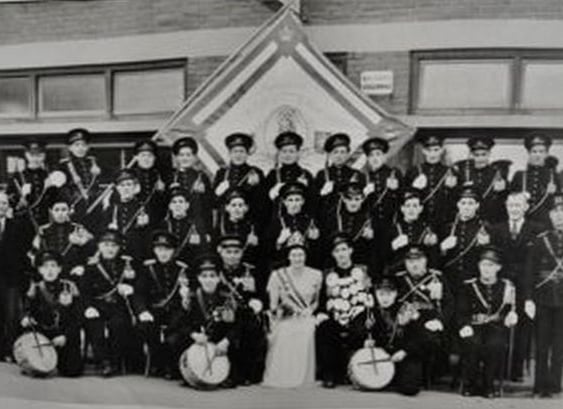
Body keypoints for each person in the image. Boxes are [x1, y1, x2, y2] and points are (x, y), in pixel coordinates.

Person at [490, 192, 544, 381]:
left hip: (527, 285)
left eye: (518, 205)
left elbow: (537, 260)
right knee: (500, 323)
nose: (514, 209)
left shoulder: (537, 229)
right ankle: (498, 368)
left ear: (526, 207)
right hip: (501, 284)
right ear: (506, 206)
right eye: (511, 205)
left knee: (523, 327)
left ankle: (516, 370)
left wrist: (530, 288)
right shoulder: (496, 229)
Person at [166, 254, 239, 388]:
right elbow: (180, 323)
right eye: (204, 276)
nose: (208, 280)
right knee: (174, 339)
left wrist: (226, 341)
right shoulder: (191, 297)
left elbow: (238, 325)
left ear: (219, 278)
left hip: (219, 340)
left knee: (238, 344)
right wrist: (194, 335)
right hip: (198, 339)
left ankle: (225, 374)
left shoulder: (228, 298)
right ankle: (186, 373)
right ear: (199, 278)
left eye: (212, 276)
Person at [457, 246, 517, 398]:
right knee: (473, 343)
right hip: (474, 326)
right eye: (483, 265)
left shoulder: (506, 287)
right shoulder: (469, 286)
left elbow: (509, 309)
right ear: (479, 266)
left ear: (498, 267)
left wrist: (511, 316)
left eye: (490, 265)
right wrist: (464, 325)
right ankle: (470, 384)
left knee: (494, 345)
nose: (486, 269)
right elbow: (461, 310)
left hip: (496, 327)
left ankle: (488, 385)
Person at [79, 229, 140, 377]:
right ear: (99, 246)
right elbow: (84, 291)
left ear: (119, 248)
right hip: (97, 305)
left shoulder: (126, 264)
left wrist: (130, 288)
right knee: (95, 325)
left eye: (114, 246)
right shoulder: (91, 266)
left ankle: (116, 361)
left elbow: (136, 285)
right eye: (106, 245)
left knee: (119, 324)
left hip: (118, 305)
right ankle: (103, 361)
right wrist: (88, 307)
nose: (110, 249)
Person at [350, 277, 424, 396]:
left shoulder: (407, 310)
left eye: (389, 294)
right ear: (375, 294)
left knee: (410, 388)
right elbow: (354, 330)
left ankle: (395, 379)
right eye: (381, 294)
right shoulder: (370, 312)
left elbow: (420, 336)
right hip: (380, 355)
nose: (384, 298)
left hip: (403, 354)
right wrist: (364, 341)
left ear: (395, 294)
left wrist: (405, 351)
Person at [316, 233, 372, 388]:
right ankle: (329, 374)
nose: (341, 254)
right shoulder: (327, 274)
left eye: (344, 249)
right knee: (325, 328)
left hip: (358, 314)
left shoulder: (363, 270)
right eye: (337, 251)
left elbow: (370, 294)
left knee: (361, 328)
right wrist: (321, 313)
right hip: (335, 315)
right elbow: (322, 299)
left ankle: (357, 372)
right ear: (333, 254)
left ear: (350, 251)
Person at [263, 243, 322, 388]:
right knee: (285, 331)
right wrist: (283, 313)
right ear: (289, 257)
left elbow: (317, 301)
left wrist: (310, 310)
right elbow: (273, 305)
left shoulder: (316, 275)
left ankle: (303, 375)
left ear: (305, 257)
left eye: (301, 255)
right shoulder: (278, 275)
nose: (297, 258)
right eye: (294, 255)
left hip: (307, 315)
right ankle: (286, 374)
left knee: (308, 329)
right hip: (287, 317)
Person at [135, 230, 190, 378]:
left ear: (174, 251)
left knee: (176, 330)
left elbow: (188, 296)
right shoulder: (148, 268)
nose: (163, 253)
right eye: (159, 249)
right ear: (154, 250)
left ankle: (171, 365)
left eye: (167, 249)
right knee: (146, 327)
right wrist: (142, 311)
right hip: (154, 310)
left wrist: (185, 294)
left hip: (175, 311)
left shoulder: (182, 269)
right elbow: (139, 293)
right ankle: (156, 362)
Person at [523, 193, 563, 397]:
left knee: (560, 345)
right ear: (549, 214)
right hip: (543, 298)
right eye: (555, 211)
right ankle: (540, 385)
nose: (560, 215)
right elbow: (530, 272)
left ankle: (555, 384)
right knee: (541, 344)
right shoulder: (541, 240)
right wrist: (529, 298)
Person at [395, 245, 454, 384]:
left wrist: (439, 321)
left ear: (426, 260)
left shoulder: (437, 278)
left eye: (418, 260)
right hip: (406, 325)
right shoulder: (399, 279)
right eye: (410, 261)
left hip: (429, 325)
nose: (414, 264)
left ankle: (425, 371)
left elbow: (449, 304)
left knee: (429, 339)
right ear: (405, 263)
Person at [20, 250, 83, 377]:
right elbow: (27, 310)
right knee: (40, 370)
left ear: (59, 269)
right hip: (44, 335)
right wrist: (26, 318)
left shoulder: (69, 287)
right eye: (45, 266)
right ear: (40, 270)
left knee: (72, 371)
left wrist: (65, 336)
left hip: (64, 334)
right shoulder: (36, 288)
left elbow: (78, 316)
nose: (49, 270)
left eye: (53, 266)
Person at [217, 235, 267, 385]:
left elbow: (261, 295)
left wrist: (257, 301)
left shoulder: (250, 271)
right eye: (228, 252)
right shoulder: (215, 271)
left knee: (251, 329)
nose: (232, 256)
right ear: (221, 252)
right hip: (223, 313)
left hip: (245, 315)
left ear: (241, 253)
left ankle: (246, 373)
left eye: (236, 252)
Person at [30, 193, 94, 278]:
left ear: (69, 211)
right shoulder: (43, 230)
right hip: (50, 273)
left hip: (73, 272)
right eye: (56, 210)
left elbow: (91, 252)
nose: (60, 213)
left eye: (64, 210)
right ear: (51, 211)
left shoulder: (78, 229)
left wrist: (81, 243)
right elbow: (34, 253)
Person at [440, 184, 491, 291]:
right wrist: (442, 248)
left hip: (473, 281)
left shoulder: (484, 228)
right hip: (449, 280)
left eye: (470, 203)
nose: (466, 207)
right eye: (463, 203)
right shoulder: (447, 227)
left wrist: (485, 246)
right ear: (458, 205)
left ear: (477, 205)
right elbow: (438, 258)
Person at [6, 138, 56, 239]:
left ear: (44, 156)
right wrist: (19, 199)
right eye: (32, 155)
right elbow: (8, 197)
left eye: (39, 155)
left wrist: (51, 187)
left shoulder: (48, 176)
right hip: (23, 222)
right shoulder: (18, 176)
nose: (36, 159)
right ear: (26, 155)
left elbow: (54, 200)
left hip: (44, 221)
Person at [322, 182, 376, 273]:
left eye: (357, 199)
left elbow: (374, 250)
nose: (353, 203)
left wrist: (371, 239)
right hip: (335, 264)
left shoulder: (369, 219)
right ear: (343, 199)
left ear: (363, 199)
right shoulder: (333, 216)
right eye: (349, 199)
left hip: (360, 263)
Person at [455, 135, 510, 224]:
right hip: (470, 220)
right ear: (471, 154)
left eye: (484, 154)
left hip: (492, 219)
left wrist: (502, 192)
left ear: (489, 154)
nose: (480, 158)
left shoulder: (497, 174)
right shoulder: (464, 173)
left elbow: (505, 199)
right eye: (477, 155)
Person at [265, 182, 320, 268]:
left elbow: (318, 254)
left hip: (307, 267)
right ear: (284, 202)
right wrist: (279, 242)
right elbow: (267, 253)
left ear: (303, 201)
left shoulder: (311, 222)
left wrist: (315, 241)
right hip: (283, 267)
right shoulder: (276, 223)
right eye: (290, 200)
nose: (294, 204)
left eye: (297, 200)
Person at [213, 133, 265, 225]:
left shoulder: (256, 172)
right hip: (225, 223)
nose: (238, 155)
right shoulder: (222, 173)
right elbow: (213, 203)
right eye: (235, 151)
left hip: (249, 222)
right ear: (229, 153)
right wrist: (217, 193)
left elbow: (263, 204)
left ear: (247, 154)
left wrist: (255, 187)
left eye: (241, 151)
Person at [405, 134, 458, 225]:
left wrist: (451, 189)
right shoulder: (414, 171)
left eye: (436, 150)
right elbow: (405, 196)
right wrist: (415, 188)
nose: (432, 154)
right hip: (420, 218)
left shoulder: (450, 172)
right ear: (423, 151)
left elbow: (458, 198)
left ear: (442, 150)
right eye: (429, 150)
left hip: (443, 219)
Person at [314, 133, 365, 225]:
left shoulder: (357, 175)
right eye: (335, 152)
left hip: (350, 222)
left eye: (342, 152)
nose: (339, 155)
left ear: (348, 154)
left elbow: (363, 203)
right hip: (326, 222)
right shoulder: (322, 175)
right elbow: (314, 203)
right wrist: (321, 193)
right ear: (330, 154)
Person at [0, 191, 28, 361]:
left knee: (11, 315)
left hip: (11, 277)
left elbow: (22, 252)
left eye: (4, 203)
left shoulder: (16, 226)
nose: (1, 206)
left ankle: (10, 350)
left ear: (8, 206)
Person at [57, 128, 103, 229]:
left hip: (95, 208)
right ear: (70, 148)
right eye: (77, 145)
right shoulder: (64, 166)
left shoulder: (93, 163)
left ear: (87, 147)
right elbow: (61, 190)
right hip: (75, 209)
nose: (80, 148)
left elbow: (98, 185)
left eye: (83, 145)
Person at [511, 134, 560, 228]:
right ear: (529, 153)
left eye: (541, 152)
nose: (538, 155)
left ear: (546, 154)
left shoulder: (554, 176)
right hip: (524, 223)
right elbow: (511, 201)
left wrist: (554, 193)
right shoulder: (519, 175)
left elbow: (558, 205)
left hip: (545, 223)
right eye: (534, 152)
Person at [101, 169, 151, 260]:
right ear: (117, 188)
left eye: (129, 184)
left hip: (137, 255)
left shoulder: (143, 208)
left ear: (135, 187)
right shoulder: (112, 209)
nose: (126, 188)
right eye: (122, 185)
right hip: (116, 257)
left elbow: (148, 237)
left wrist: (143, 227)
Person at [386, 188, 439, 272]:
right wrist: (393, 246)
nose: (411, 209)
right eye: (408, 206)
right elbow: (383, 258)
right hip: (398, 273)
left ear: (421, 209)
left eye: (415, 206)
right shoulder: (392, 229)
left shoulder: (427, 230)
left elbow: (434, 260)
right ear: (402, 208)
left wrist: (432, 247)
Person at [264, 131, 315, 214]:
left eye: (291, 151)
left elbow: (313, 204)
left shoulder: (305, 175)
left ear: (298, 153)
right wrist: (270, 195)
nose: (287, 155)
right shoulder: (272, 175)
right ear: (279, 153)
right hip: (277, 219)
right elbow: (263, 205)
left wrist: (307, 191)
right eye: (284, 151)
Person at [169, 136, 213, 231]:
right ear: (176, 157)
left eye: (188, 155)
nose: (185, 158)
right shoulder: (170, 177)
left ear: (194, 157)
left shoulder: (202, 177)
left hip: (197, 225)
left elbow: (209, 206)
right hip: (176, 225)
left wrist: (203, 194)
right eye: (181, 155)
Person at [158, 186, 211, 264]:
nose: (177, 205)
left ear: (187, 205)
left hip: (190, 262)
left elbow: (204, 248)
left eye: (181, 202)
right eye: (174, 202)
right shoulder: (163, 224)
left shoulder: (196, 225)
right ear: (170, 206)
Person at [361, 137, 402, 231]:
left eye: (378, 154)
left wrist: (396, 190)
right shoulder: (364, 177)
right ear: (367, 158)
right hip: (371, 226)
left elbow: (404, 199)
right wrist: (364, 195)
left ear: (384, 156)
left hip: (392, 224)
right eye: (371, 155)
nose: (375, 158)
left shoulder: (394, 173)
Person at [214, 188, 260, 264]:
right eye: (233, 205)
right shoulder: (219, 227)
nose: (237, 208)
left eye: (240, 205)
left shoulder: (252, 228)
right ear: (227, 208)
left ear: (246, 208)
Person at [131, 139, 167, 226]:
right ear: (136, 157)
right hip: (134, 220)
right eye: (143, 155)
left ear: (154, 158)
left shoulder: (161, 176)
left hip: (157, 221)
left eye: (150, 156)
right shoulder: (130, 176)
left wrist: (162, 192)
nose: (146, 159)